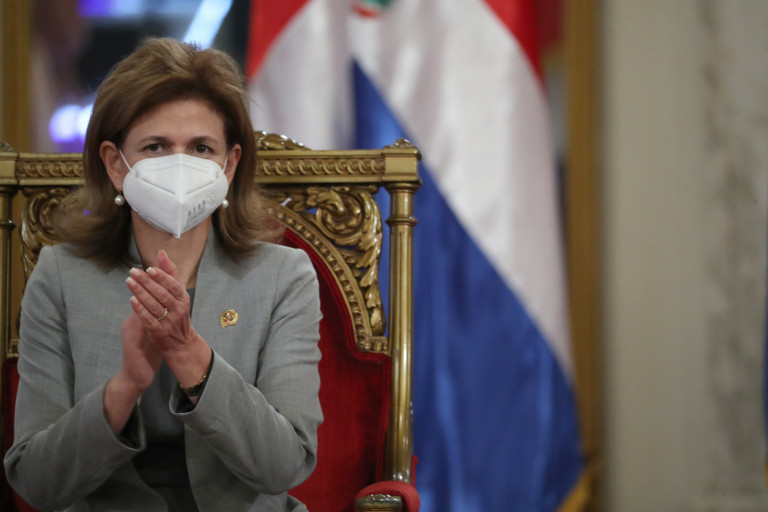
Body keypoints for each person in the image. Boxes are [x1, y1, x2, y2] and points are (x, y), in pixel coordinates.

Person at [3, 37, 323, 512]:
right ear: (115, 164)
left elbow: (284, 466)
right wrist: (124, 388)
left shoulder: (283, 276)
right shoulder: (60, 276)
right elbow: (36, 482)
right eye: (156, 146)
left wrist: (189, 354)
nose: (181, 166)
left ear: (230, 165)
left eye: (201, 148)